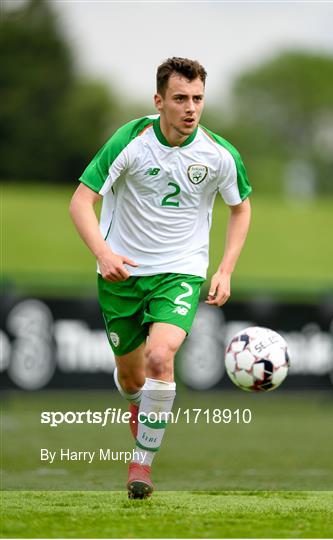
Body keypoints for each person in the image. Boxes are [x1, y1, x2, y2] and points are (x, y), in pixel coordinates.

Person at [69, 57, 252, 499]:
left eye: (198, 99)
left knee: (161, 357)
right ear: (159, 100)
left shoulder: (219, 154)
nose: (191, 108)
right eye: (180, 99)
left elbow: (240, 207)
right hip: (122, 273)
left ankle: (141, 467)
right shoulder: (130, 141)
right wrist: (103, 252)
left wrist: (225, 268)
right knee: (133, 381)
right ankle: (140, 406)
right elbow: (80, 202)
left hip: (180, 272)